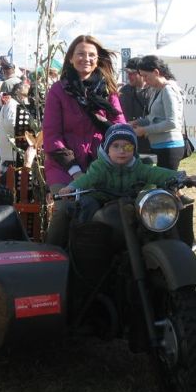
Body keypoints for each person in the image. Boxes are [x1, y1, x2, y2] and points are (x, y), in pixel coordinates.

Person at [43, 34, 125, 246]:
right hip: (64, 166)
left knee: (119, 206)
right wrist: (75, 171)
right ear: (70, 58)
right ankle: (53, 256)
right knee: (65, 207)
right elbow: (52, 137)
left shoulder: (108, 90)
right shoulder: (58, 90)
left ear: (98, 59)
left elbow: (120, 126)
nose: (86, 58)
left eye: (91, 55)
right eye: (80, 53)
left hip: (101, 163)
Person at [133, 55, 196, 249]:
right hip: (161, 146)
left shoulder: (168, 90)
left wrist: (145, 130)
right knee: (169, 191)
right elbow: (155, 117)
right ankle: (178, 235)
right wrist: (138, 123)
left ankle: (186, 238)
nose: (145, 81)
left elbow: (172, 122)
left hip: (170, 146)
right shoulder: (158, 90)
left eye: (146, 76)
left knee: (171, 192)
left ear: (156, 72)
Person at [57, 123, 181, 220]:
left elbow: (155, 173)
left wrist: (181, 177)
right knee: (87, 205)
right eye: (115, 146)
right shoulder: (100, 167)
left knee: (151, 206)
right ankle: (86, 239)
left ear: (134, 150)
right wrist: (71, 187)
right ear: (107, 150)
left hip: (129, 202)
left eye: (127, 146)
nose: (122, 151)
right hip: (101, 201)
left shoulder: (138, 167)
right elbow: (87, 179)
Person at [118, 58, 150, 154]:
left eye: (132, 73)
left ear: (141, 72)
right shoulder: (124, 91)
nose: (129, 76)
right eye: (127, 73)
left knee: (148, 165)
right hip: (129, 138)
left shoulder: (153, 90)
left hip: (148, 139)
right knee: (128, 164)